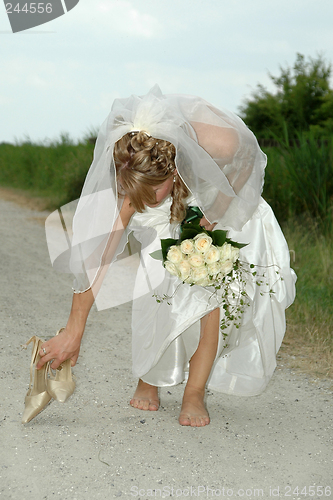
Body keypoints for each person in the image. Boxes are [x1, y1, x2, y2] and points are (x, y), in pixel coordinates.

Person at [37, 85, 296, 427]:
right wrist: (74, 329)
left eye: (150, 193)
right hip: (167, 214)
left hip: (218, 200)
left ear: (173, 172)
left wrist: (212, 219)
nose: (139, 201)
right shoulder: (132, 168)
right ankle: (150, 377)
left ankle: (195, 392)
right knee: (157, 288)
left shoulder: (219, 142)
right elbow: (100, 254)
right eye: (130, 193)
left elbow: (247, 160)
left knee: (212, 298)